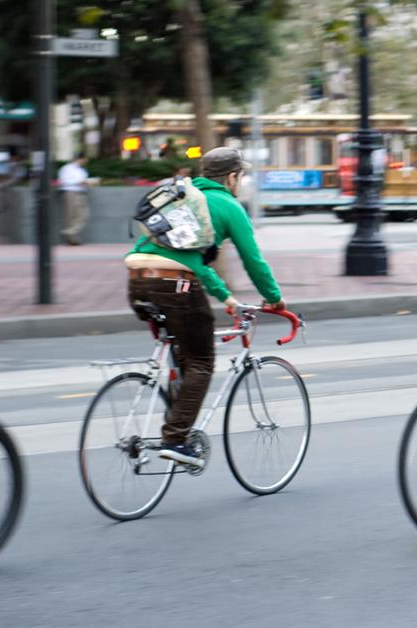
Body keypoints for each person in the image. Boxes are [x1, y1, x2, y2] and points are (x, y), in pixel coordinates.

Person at [124, 147, 285, 466]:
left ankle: (175, 418)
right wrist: (274, 297)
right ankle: (176, 439)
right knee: (201, 361)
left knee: (184, 352)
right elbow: (253, 261)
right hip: (175, 283)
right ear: (232, 177)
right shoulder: (228, 205)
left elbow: (192, 261)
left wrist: (227, 298)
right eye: (241, 176)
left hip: (138, 276)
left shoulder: (185, 197)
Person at [58, 154, 91, 245]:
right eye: (84, 160)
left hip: (81, 192)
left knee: (83, 215)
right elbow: (64, 181)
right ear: (79, 159)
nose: (85, 162)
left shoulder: (81, 170)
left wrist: (86, 183)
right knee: (71, 215)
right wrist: (79, 182)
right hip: (70, 192)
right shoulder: (67, 168)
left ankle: (69, 232)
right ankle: (71, 237)